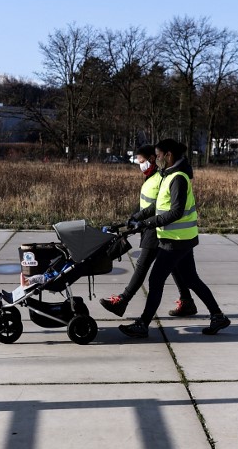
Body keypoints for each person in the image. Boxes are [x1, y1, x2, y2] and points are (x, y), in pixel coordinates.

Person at [118, 138, 230, 339]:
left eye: (159, 155)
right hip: (180, 238)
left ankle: (143, 324)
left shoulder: (178, 177)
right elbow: (159, 205)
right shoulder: (168, 175)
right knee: (191, 279)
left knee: (155, 279)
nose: (157, 159)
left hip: (176, 240)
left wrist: (148, 224)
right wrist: (138, 216)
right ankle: (218, 316)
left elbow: (177, 211)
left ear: (168, 155)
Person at [98, 145, 194, 318]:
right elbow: (145, 204)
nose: (139, 165)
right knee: (176, 267)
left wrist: (140, 222)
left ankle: (123, 301)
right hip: (150, 226)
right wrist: (131, 220)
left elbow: (157, 206)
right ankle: (187, 301)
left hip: (156, 228)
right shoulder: (151, 177)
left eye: (141, 161)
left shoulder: (162, 177)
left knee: (143, 266)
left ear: (152, 158)